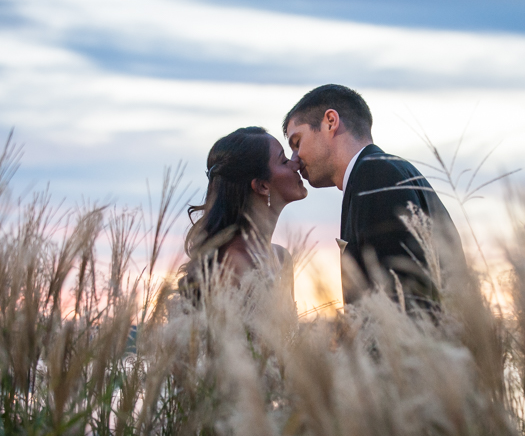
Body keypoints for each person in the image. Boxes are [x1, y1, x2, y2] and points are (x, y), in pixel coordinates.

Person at [283, 84, 465, 308]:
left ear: (330, 121)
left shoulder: (375, 176)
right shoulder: (384, 171)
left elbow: (401, 297)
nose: (295, 159)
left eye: (297, 142)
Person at [180, 127, 308, 300]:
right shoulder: (233, 264)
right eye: (284, 161)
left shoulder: (282, 258)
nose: (296, 164)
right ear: (262, 186)